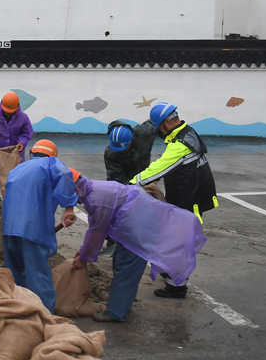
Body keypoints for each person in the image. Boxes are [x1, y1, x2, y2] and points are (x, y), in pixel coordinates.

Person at [70, 171, 207, 322]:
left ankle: (116, 312)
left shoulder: (95, 199)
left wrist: (83, 257)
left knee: (127, 267)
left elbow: (97, 232)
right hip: (134, 219)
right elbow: (96, 228)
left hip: (138, 225)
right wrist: (84, 252)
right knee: (121, 262)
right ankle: (123, 303)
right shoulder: (93, 188)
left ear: (73, 189)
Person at [130, 102, 218, 298]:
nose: (158, 132)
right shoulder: (186, 132)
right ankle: (172, 275)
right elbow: (170, 162)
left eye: (157, 128)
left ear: (163, 125)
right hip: (191, 195)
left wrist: (131, 184)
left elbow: (160, 166)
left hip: (190, 199)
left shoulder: (180, 145)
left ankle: (177, 287)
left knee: (179, 240)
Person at [2, 142, 77, 313]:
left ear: (32, 152)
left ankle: (18, 310)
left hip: (9, 228)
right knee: (38, 274)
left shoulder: (18, 169)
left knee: (16, 273)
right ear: (52, 155)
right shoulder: (50, 163)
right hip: (32, 229)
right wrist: (69, 207)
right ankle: (44, 314)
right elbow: (65, 174)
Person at [101, 119, 158, 255]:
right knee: (117, 206)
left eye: (124, 148)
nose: (121, 151)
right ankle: (112, 241)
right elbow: (117, 180)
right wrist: (133, 189)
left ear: (131, 139)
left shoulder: (145, 133)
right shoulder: (111, 153)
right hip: (126, 180)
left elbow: (160, 122)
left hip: (145, 176)